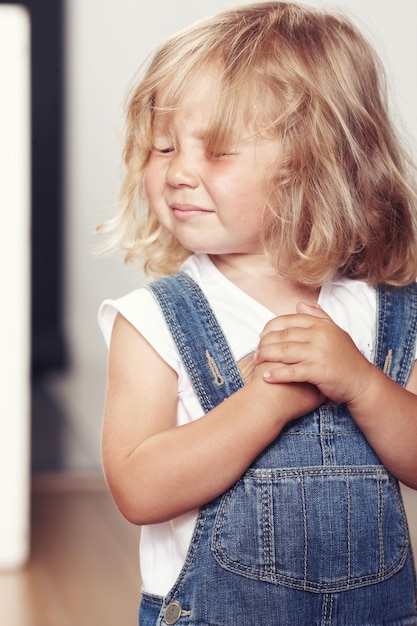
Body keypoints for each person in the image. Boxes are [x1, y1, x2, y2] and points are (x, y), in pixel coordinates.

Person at [97, 3, 417, 624]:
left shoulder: (388, 314)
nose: (179, 172)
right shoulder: (155, 322)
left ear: (313, 165)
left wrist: (361, 385)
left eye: (217, 151)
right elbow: (137, 489)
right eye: (163, 147)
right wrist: (263, 402)